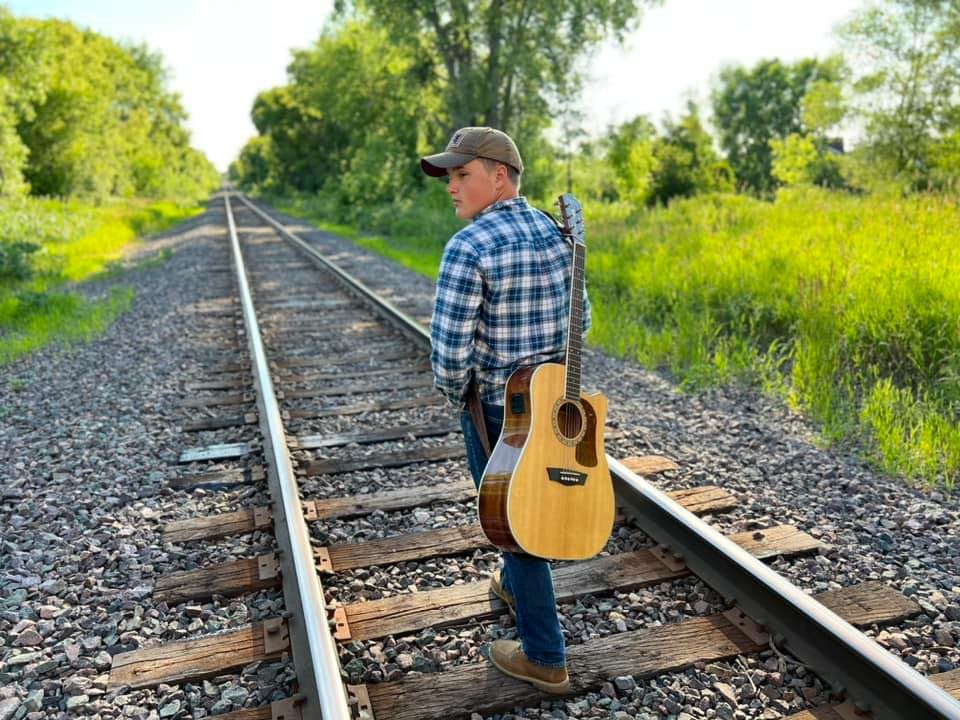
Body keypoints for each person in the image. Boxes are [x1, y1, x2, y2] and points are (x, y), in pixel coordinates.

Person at [420, 126, 591, 694]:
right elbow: (582, 323)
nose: (452, 187)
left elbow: (448, 356)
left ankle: (545, 655)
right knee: (534, 506)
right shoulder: (556, 230)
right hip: (553, 403)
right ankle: (516, 589)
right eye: (449, 176)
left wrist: (457, 400)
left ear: (500, 177)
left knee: (514, 526)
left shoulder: (468, 247)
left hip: (498, 411)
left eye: (462, 174)